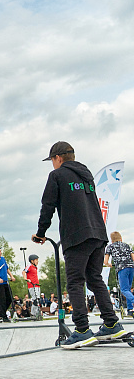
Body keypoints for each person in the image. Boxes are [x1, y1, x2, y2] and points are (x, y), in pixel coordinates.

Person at [33, 141, 126, 348]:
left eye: (52, 161)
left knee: (75, 281)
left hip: (76, 235)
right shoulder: (87, 174)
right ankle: (111, 323)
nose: (52, 165)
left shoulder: (56, 176)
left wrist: (41, 233)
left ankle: (82, 330)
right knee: (95, 279)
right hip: (98, 234)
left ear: (58, 158)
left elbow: (47, 205)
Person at [104, 231, 134, 318]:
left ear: (112, 240)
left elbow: (106, 261)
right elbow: (133, 257)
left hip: (121, 268)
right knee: (128, 289)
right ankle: (130, 309)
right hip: (131, 267)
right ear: (120, 238)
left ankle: (133, 301)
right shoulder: (126, 245)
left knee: (124, 289)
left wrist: (108, 264)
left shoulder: (110, 247)